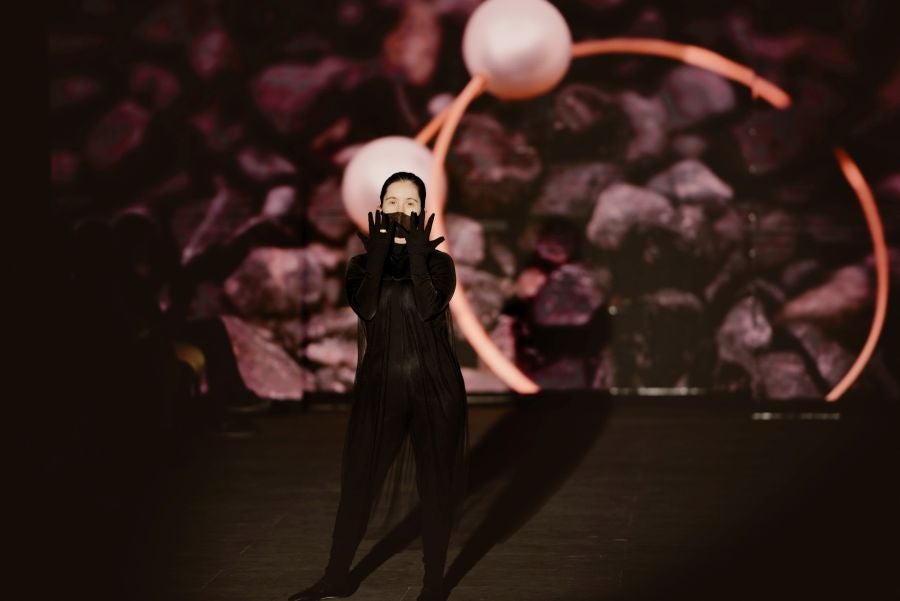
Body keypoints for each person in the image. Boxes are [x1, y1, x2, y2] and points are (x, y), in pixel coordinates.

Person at [290, 172, 469, 601]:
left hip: (437, 389)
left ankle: (433, 583)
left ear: (423, 211)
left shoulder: (440, 264)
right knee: (359, 485)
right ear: (379, 208)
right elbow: (367, 307)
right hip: (380, 389)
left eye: (411, 201)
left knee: (435, 486)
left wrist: (416, 259)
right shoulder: (358, 266)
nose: (401, 208)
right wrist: (377, 259)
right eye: (393, 199)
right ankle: (336, 576)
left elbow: (428, 307)